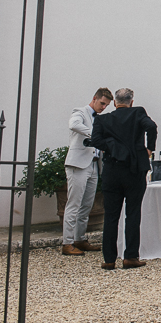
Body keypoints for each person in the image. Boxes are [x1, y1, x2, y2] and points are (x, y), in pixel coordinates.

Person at [88, 88, 157, 270]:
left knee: (111, 216)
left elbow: (95, 140)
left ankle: (109, 259)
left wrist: (112, 146)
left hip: (112, 170)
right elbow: (151, 127)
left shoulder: (103, 119)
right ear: (131, 102)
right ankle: (130, 256)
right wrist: (149, 148)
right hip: (134, 170)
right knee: (133, 214)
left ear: (115, 103)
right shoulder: (138, 113)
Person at [61, 87, 112, 256]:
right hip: (78, 164)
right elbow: (74, 125)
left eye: (106, 105)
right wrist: (95, 134)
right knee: (73, 203)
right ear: (95, 98)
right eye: (102, 103)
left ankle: (80, 239)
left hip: (93, 164)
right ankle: (67, 243)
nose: (103, 107)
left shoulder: (101, 118)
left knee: (87, 205)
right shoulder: (80, 112)